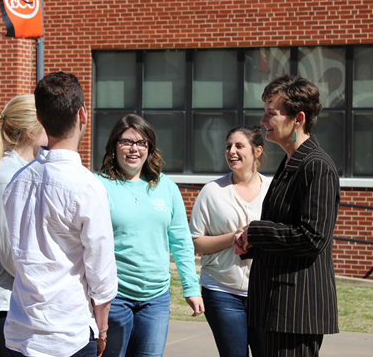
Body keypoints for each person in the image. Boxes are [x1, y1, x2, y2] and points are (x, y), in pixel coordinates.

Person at [3, 72, 118, 357]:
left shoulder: (18, 181)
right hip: (68, 333)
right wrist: (102, 327)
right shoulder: (87, 186)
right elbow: (101, 269)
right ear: (83, 115)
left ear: (40, 119)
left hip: (21, 328)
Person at [234, 75, 340, 357]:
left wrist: (255, 232)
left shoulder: (316, 166)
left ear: (298, 118)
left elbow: (312, 237)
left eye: (272, 113)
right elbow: (285, 229)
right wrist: (251, 242)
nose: (263, 120)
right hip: (275, 305)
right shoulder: (290, 160)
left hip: (296, 311)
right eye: (264, 112)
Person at [96, 114, 204, 357]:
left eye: (141, 143)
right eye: (126, 142)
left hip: (156, 299)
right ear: (114, 146)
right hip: (114, 297)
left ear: (150, 148)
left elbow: (181, 242)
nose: (134, 149)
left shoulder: (165, 186)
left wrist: (191, 288)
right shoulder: (98, 186)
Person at [0, 94, 47, 357]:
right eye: (45, 122)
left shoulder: (22, 169)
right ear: (30, 131)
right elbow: (10, 256)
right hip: (4, 303)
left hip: (16, 301)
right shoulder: (7, 177)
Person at [189, 126, 271, 357]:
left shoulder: (273, 190)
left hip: (265, 291)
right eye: (228, 147)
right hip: (221, 290)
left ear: (257, 151)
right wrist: (233, 238)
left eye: (239, 146)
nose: (231, 151)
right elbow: (196, 242)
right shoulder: (212, 192)